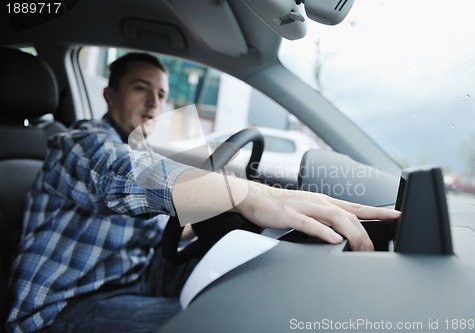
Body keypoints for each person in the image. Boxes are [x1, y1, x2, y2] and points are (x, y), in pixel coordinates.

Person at [6, 52, 400, 333]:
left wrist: (235, 216)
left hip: (137, 277)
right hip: (65, 307)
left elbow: (157, 225)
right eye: (140, 88)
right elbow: (117, 175)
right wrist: (245, 196)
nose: (153, 103)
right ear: (109, 95)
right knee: (238, 323)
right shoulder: (79, 141)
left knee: (257, 288)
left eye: (160, 94)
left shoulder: (140, 147)